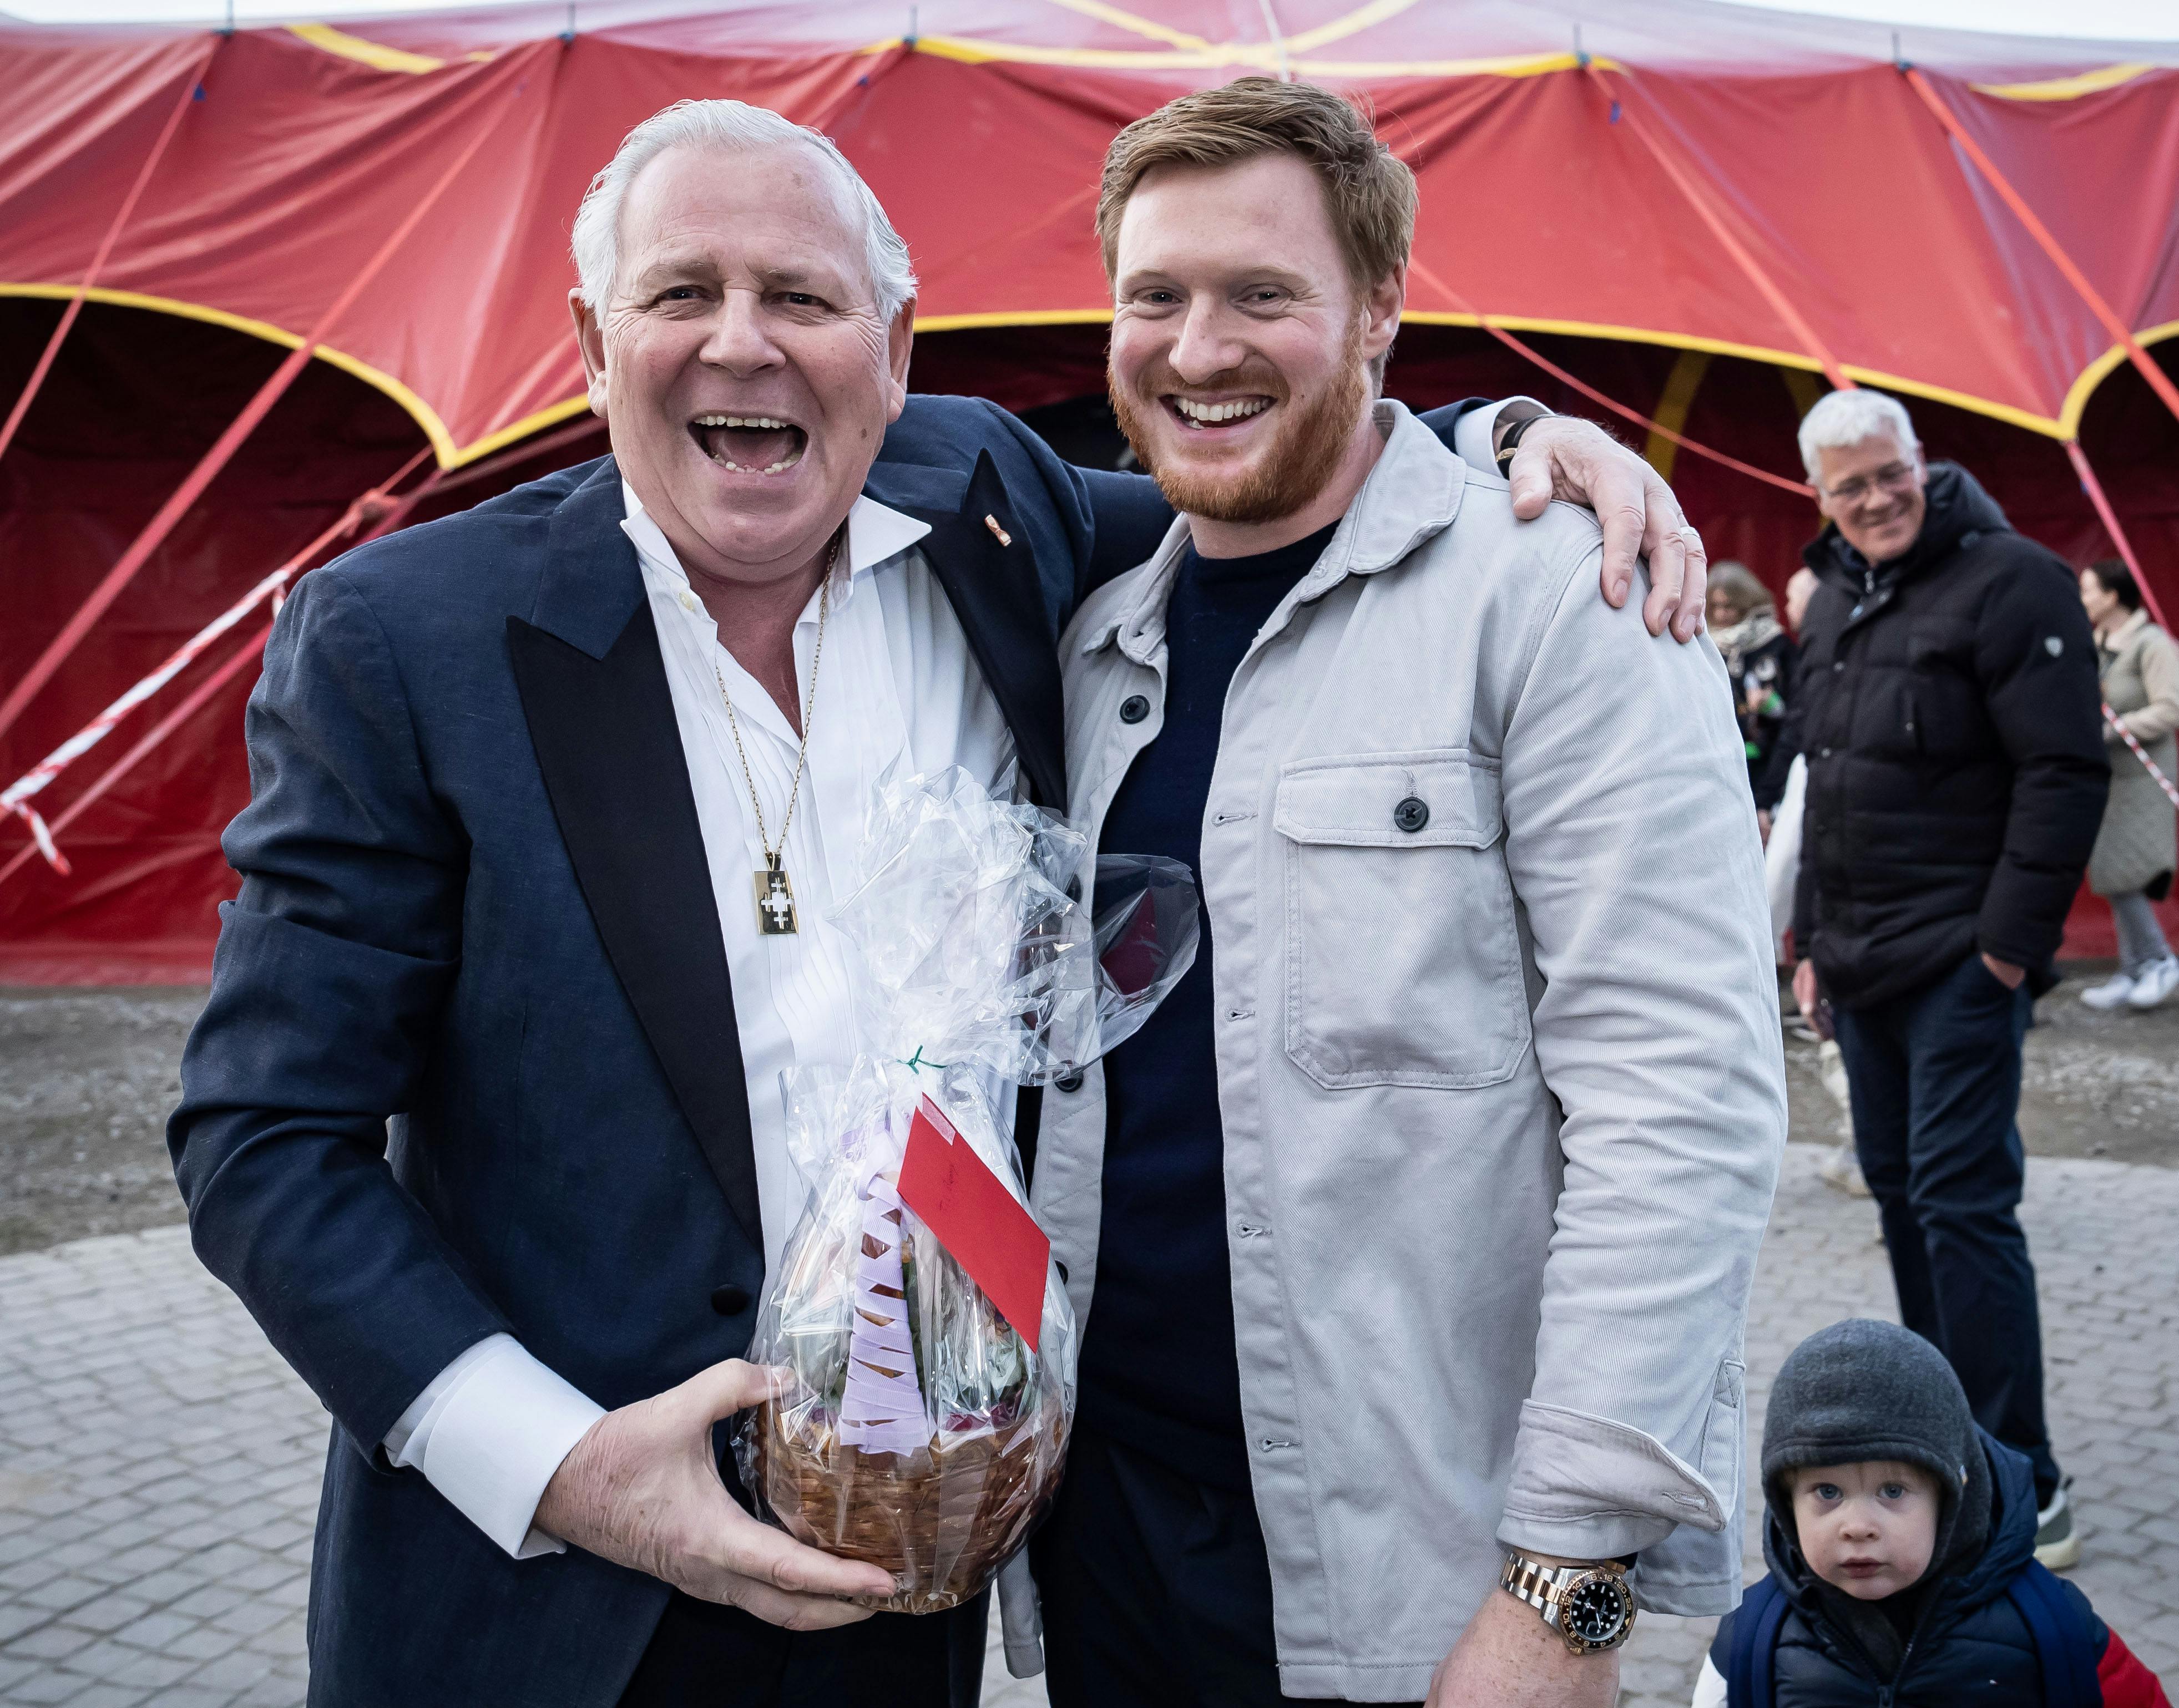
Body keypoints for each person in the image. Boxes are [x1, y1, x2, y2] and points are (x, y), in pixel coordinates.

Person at [165, 97, 1708, 1708]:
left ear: (894, 348)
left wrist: (1508, 438)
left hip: (911, 1587)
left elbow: (1281, 465)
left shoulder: (997, 515)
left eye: (803, 299)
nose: (742, 348)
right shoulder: (408, 639)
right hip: (545, 1610)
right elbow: (263, 1141)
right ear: (588, 339)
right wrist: (554, 1464)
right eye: (681, 293)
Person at [1028, 78, 1787, 1708]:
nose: (1195, 345)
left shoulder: (1557, 602)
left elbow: (1681, 1104)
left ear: (1379, 308)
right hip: (1115, 1562)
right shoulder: (1096, 648)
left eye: (1259, 293)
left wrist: (1564, 1594)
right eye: (1152, 294)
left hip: (1420, 1592)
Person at [1781, 387, 2107, 1573]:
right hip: (1859, 966)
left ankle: (2022, 1477)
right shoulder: (1833, 602)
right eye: (1847, 487)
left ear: (1921, 463)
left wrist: (2005, 954)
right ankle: (1944, 1438)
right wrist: (1809, 941)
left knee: (1964, 1207)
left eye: (1888, 474)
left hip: (1961, 962)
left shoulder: (2011, 579)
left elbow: (2063, 773)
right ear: (1817, 498)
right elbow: (1822, 782)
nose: (1874, 500)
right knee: (1898, 1195)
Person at [1689, 1319, 2170, 1707]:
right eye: (1827, 1491)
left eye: (1892, 1490)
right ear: (1783, 1501)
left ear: (1952, 1493)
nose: (1857, 1526)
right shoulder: (1751, 1638)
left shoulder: (2050, 1625)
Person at [2075, 557, 2179, 1011]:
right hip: (2108, 776)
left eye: (2088, 590)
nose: (2082, 600)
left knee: (2128, 869)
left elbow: (2170, 709)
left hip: (2143, 776)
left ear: (2112, 595)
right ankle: (2132, 966)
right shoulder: (2096, 643)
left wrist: (2107, 731)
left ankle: (2158, 960)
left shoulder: (2150, 644)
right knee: (2110, 871)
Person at [1708, 561, 1798, 795]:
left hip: (1768, 768)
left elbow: (1801, 712)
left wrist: (1772, 706)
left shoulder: (1777, 645)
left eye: (1730, 606)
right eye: (1715, 606)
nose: (1721, 614)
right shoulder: (1702, 644)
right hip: (1716, 767)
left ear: (1748, 602)